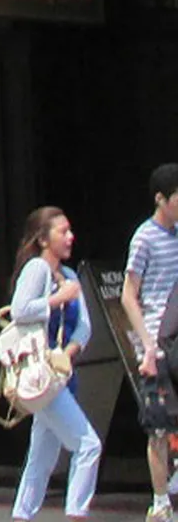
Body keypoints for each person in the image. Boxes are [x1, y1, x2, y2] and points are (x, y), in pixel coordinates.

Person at [6, 206, 100, 522]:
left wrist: (69, 353)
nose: (70, 237)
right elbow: (20, 310)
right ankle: (76, 514)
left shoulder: (70, 275)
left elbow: (84, 326)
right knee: (88, 445)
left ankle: (22, 515)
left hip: (60, 373)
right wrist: (59, 299)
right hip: (39, 374)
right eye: (63, 231)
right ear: (44, 239)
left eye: (70, 230)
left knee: (41, 458)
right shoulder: (37, 270)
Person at [121, 163, 178, 520]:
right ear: (161, 199)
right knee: (158, 423)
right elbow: (129, 294)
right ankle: (160, 503)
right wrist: (147, 347)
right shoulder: (144, 237)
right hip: (156, 340)